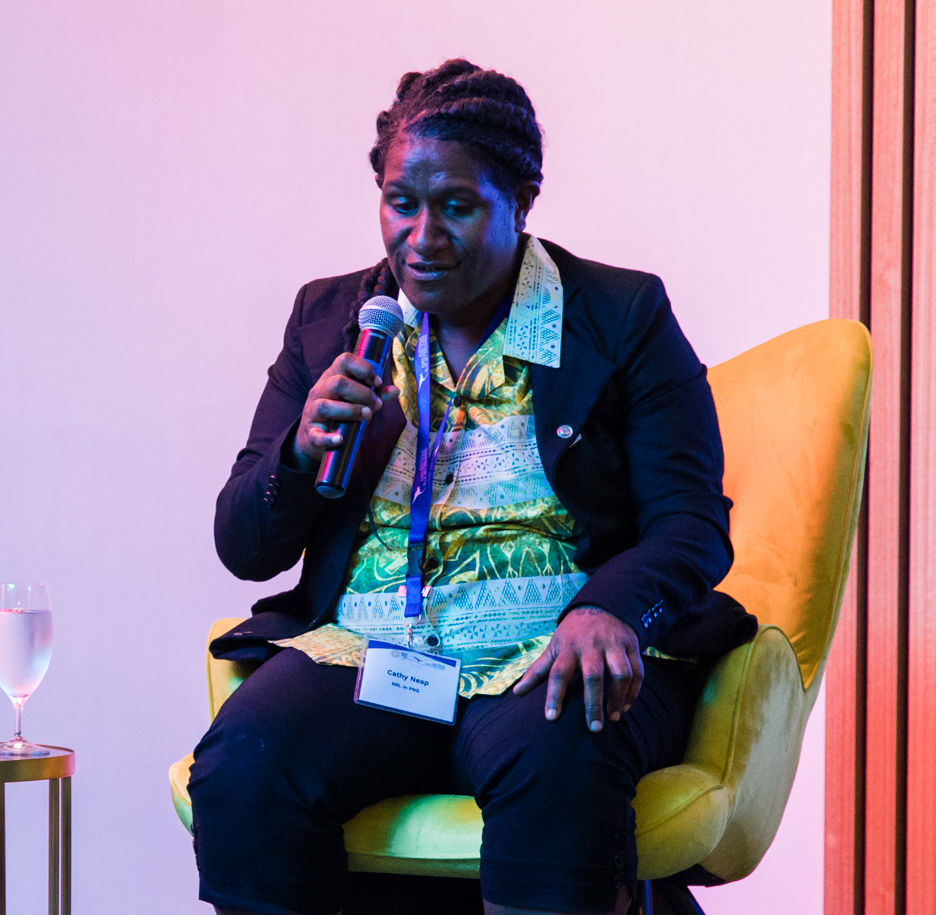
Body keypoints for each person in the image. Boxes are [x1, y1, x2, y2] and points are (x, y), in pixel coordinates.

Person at [187, 60, 753, 915]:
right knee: (246, 760)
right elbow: (243, 544)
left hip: (544, 655)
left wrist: (608, 609)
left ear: (520, 202)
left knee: (562, 753)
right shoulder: (330, 320)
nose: (421, 236)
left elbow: (692, 520)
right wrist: (299, 453)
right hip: (374, 655)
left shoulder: (619, 314)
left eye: (455, 205)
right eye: (400, 202)